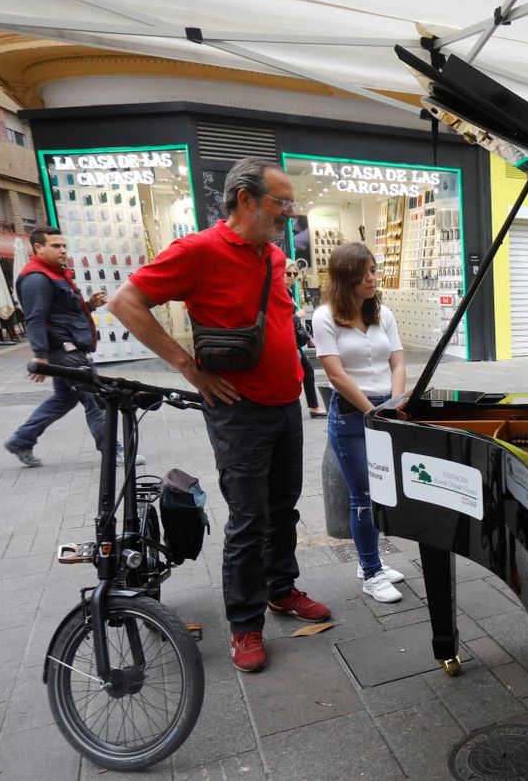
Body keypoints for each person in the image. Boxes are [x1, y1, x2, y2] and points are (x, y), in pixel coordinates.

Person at [108, 156, 328, 674]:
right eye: (282, 203)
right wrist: (187, 366)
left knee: (284, 509)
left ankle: (280, 589)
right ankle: (245, 624)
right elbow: (126, 302)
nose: (290, 213)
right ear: (245, 199)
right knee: (249, 519)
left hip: (285, 404)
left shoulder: (274, 256)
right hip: (239, 411)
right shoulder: (199, 250)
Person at [313, 243, 408, 604]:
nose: (373, 277)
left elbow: (397, 363)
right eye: (365, 272)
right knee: (363, 495)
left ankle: (371, 560)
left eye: (374, 270)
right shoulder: (324, 317)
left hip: (386, 410)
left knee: (385, 491)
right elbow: (336, 375)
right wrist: (373, 411)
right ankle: (371, 572)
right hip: (353, 416)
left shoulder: (383, 314)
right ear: (346, 276)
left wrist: (395, 406)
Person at [2, 228, 114, 468]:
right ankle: (114, 451)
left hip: (66, 347)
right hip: (65, 351)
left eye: (63, 245)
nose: (63, 250)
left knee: (64, 399)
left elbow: (63, 313)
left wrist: (90, 305)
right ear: (38, 248)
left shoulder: (53, 274)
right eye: (55, 246)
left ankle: (21, 440)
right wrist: (40, 358)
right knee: (95, 400)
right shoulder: (36, 278)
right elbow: (36, 318)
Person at [288, 262, 325, 418]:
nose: (292, 277)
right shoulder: (277, 292)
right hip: (286, 342)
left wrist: (308, 338)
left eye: (294, 275)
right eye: (288, 273)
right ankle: (311, 407)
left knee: (307, 371)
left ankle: (313, 406)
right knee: (303, 372)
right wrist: (297, 316)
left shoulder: (288, 292)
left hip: (293, 340)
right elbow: (278, 320)